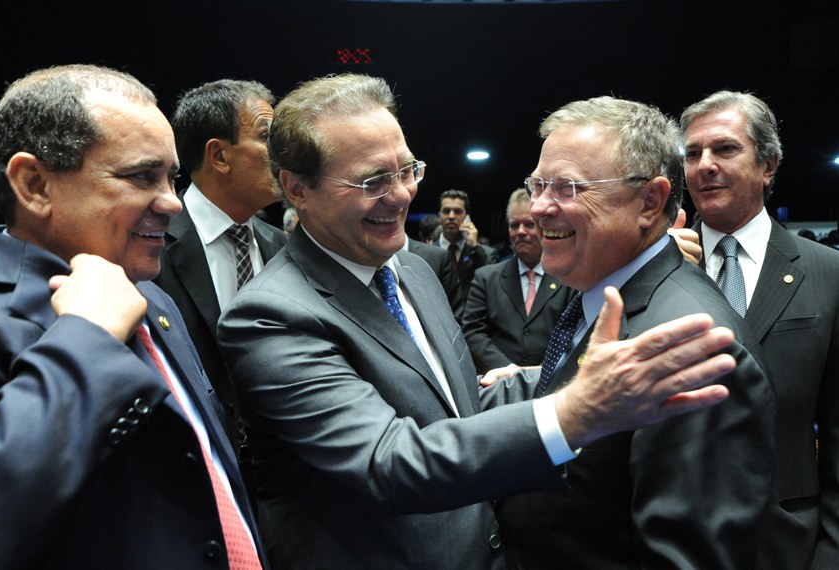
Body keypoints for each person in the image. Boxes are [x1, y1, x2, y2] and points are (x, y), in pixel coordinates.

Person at [216, 73, 738, 569]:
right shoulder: (269, 317)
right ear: (298, 189)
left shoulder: (412, 272)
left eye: (407, 170)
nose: (402, 195)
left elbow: (449, 403)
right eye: (373, 180)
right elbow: (389, 460)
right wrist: (575, 410)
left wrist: (554, 374)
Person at [0, 64, 265, 569]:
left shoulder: (152, 297)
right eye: (141, 177)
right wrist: (86, 337)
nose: (173, 203)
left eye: (172, 177)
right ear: (35, 184)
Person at [494, 96, 775, 570]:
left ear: (650, 201)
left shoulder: (690, 347)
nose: (539, 207)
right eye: (538, 185)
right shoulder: (603, 298)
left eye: (567, 187)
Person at [682, 90, 839, 569]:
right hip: (670, 538)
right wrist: (653, 271)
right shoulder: (656, 268)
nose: (705, 165)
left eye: (725, 149)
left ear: (768, 166)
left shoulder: (826, 272)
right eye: (692, 154)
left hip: (789, 538)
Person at [153, 79, 286, 421]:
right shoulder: (151, 245)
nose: (283, 152)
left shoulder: (285, 247)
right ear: (219, 155)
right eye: (267, 137)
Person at [462, 188, 572, 373]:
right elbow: (473, 333)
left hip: (554, 380)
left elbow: (575, 332)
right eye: (514, 225)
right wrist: (511, 371)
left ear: (544, 227)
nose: (520, 232)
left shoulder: (569, 279)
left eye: (529, 224)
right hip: (499, 381)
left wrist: (542, 372)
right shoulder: (486, 278)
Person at [438, 188, 497, 313]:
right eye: (446, 211)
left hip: (471, 319)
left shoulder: (483, 253)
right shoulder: (425, 253)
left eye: (458, 211)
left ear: (467, 217)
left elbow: (493, 284)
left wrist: (474, 247)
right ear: (439, 215)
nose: (451, 216)